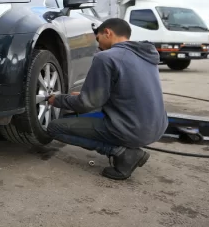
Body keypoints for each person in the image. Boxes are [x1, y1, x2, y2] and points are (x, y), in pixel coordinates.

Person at [46, 18, 168, 180]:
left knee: (54, 128)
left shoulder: (106, 57)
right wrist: (86, 96)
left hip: (133, 129)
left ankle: (122, 153)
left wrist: (58, 100)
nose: (98, 45)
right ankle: (126, 148)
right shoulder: (146, 55)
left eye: (98, 39)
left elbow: (87, 104)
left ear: (108, 33)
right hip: (157, 126)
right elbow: (125, 91)